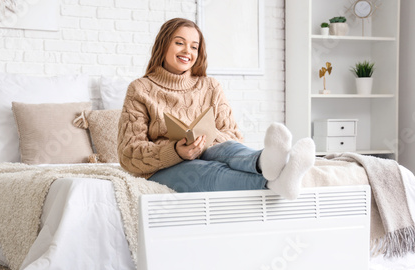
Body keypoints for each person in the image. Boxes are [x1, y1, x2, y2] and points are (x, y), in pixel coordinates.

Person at [118, 17, 315, 200]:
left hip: (210, 151)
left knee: (230, 148)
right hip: (163, 167)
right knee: (204, 171)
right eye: (179, 43)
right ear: (163, 45)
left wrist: (203, 144)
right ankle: (276, 182)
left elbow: (233, 136)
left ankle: (265, 161)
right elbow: (129, 154)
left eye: (194, 47)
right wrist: (176, 152)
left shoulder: (210, 86)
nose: (187, 51)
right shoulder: (140, 89)